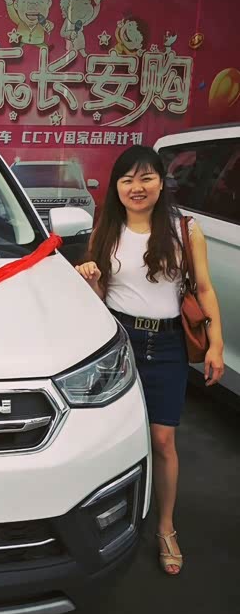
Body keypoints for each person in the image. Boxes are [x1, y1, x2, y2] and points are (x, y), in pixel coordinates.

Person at [75, 145, 225, 576]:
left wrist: (216, 344)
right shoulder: (106, 229)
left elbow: (204, 288)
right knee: (110, 440)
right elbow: (100, 298)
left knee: (162, 440)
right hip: (119, 344)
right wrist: (91, 279)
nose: (136, 187)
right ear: (116, 187)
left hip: (168, 345)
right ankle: (106, 523)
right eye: (127, 180)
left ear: (161, 182)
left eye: (146, 178)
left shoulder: (185, 230)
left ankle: (165, 527)